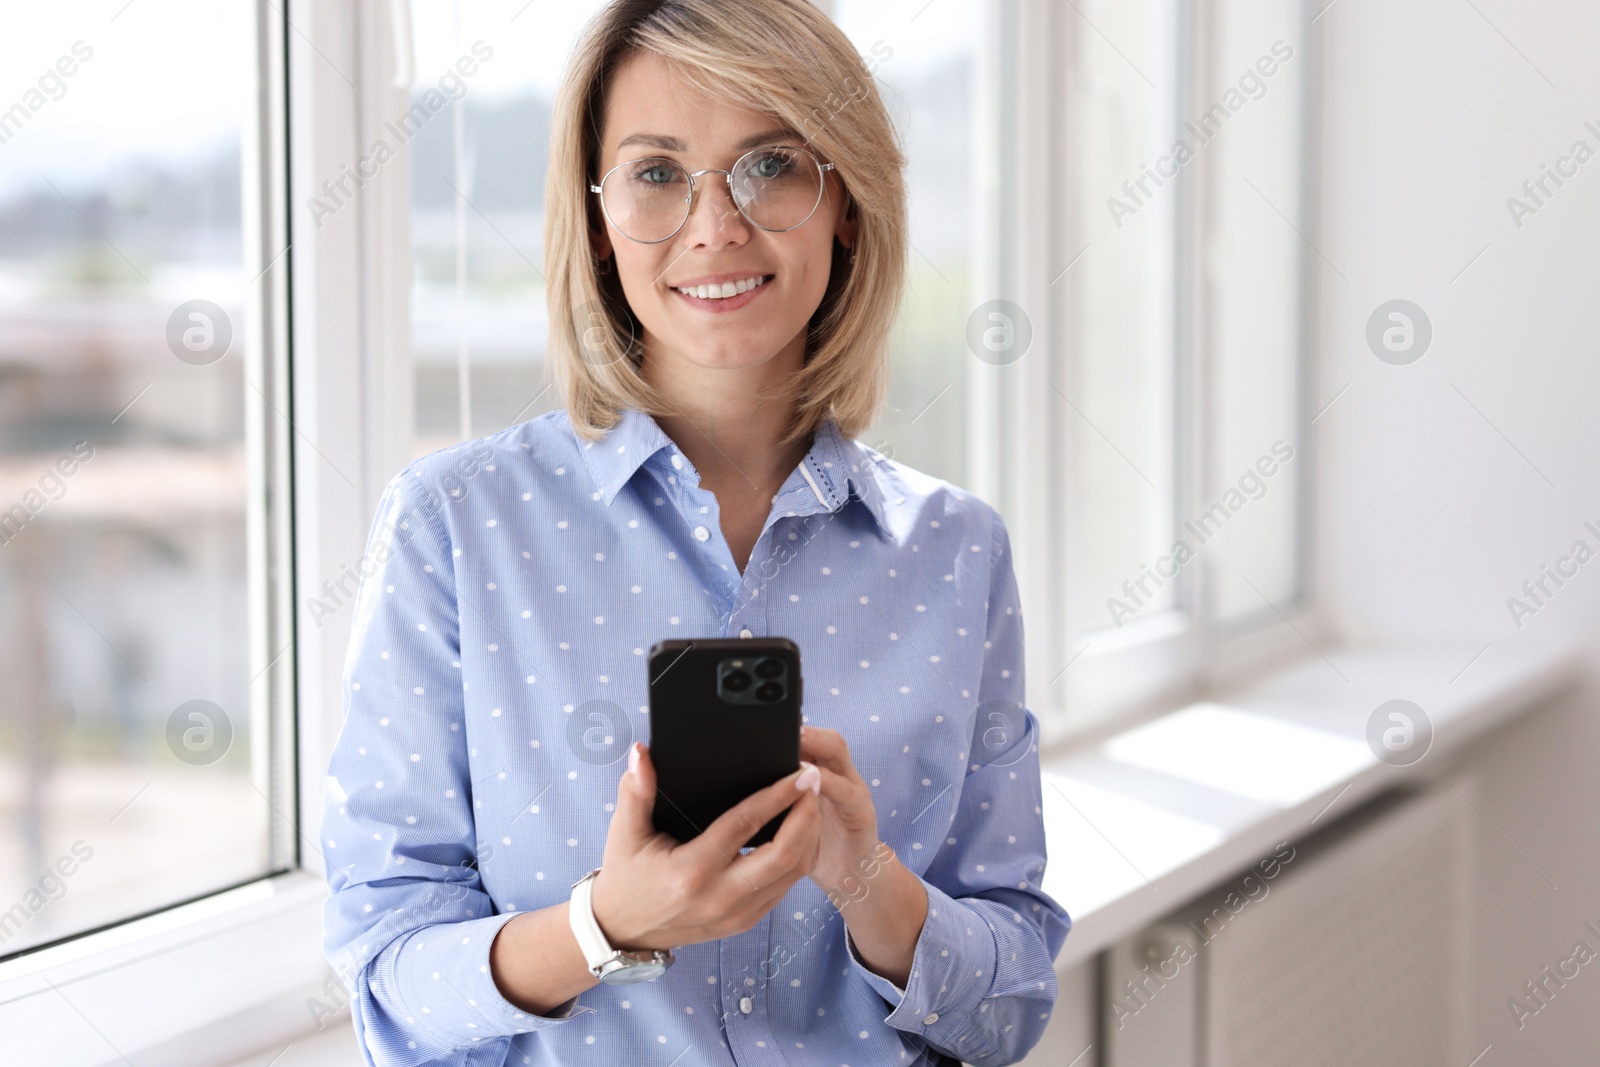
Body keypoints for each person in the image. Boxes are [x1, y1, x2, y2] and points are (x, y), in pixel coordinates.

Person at [319, 1, 1070, 1063]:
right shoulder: (453, 526)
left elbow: (1009, 1009)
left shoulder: (956, 550)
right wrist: (606, 925)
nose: (716, 225)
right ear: (597, 220)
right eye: (658, 172)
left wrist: (868, 881)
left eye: (770, 166)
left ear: (845, 202)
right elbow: (388, 984)